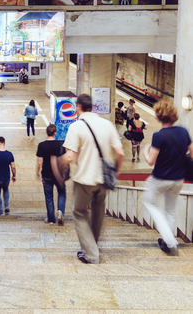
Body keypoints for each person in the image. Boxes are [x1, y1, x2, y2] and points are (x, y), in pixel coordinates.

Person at [62, 94, 124, 264]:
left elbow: (70, 156)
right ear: (93, 107)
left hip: (84, 179)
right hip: (104, 178)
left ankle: (91, 254)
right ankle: (92, 246)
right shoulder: (107, 124)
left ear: (79, 107)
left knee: (79, 212)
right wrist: (115, 172)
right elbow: (120, 152)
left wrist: (58, 163)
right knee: (98, 211)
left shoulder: (76, 126)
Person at [143, 101, 193, 256]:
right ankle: (167, 242)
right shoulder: (183, 132)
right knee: (171, 211)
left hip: (160, 179)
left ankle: (170, 241)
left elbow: (151, 161)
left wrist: (146, 150)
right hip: (178, 179)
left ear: (159, 116)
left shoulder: (158, 136)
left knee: (150, 203)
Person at [36, 124, 66, 225]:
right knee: (61, 193)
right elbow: (65, 160)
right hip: (59, 175)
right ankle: (60, 211)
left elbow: (39, 162)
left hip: (46, 174)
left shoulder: (41, 145)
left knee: (49, 197)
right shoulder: (61, 145)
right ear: (55, 133)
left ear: (47, 133)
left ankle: (51, 219)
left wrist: (37, 174)